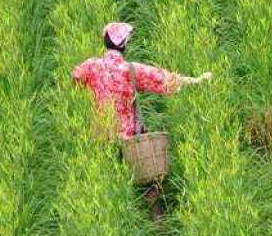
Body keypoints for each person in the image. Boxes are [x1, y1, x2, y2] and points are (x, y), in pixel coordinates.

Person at [72, 22, 212, 220]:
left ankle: (107, 218)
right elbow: (164, 79)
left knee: (103, 178)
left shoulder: (91, 66)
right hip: (128, 136)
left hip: (100, 134)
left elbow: (74, 78)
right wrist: (197, 80)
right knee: (148, 178)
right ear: (124, 45)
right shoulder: (130, 70)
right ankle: (157, 219)